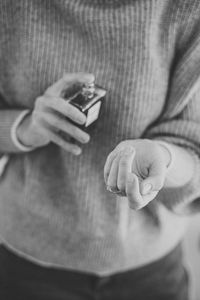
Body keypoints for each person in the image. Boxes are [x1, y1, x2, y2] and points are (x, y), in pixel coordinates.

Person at [0, 1, 200, 299]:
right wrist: (26, 127)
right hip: (29, 264)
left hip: (150, 270)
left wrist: (163, 157)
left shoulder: (186, 10)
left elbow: (193, 151)